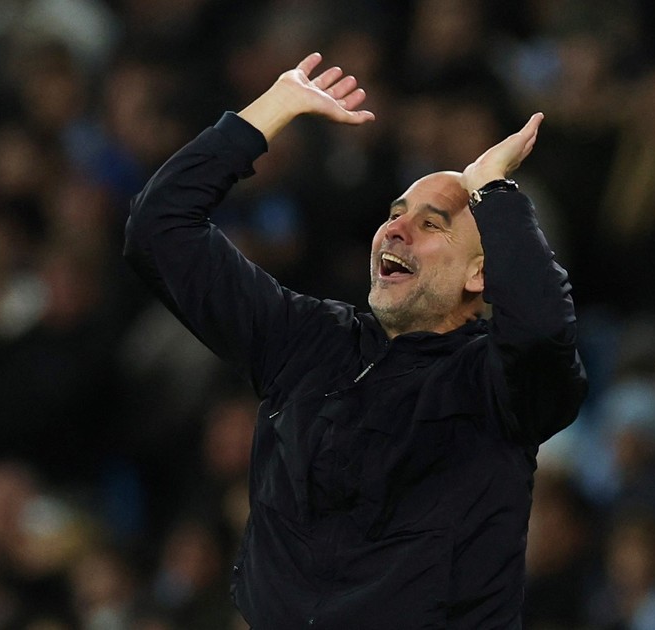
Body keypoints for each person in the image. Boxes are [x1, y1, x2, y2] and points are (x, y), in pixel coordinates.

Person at [124, 53, 587, 629]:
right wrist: (275, 105)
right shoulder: (307, 340)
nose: (396, 229)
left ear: (480, 274)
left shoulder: (499, 386)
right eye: (395, 214)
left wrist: (492, 188)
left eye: (432, 224)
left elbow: (543, 328)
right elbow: (160, 227)